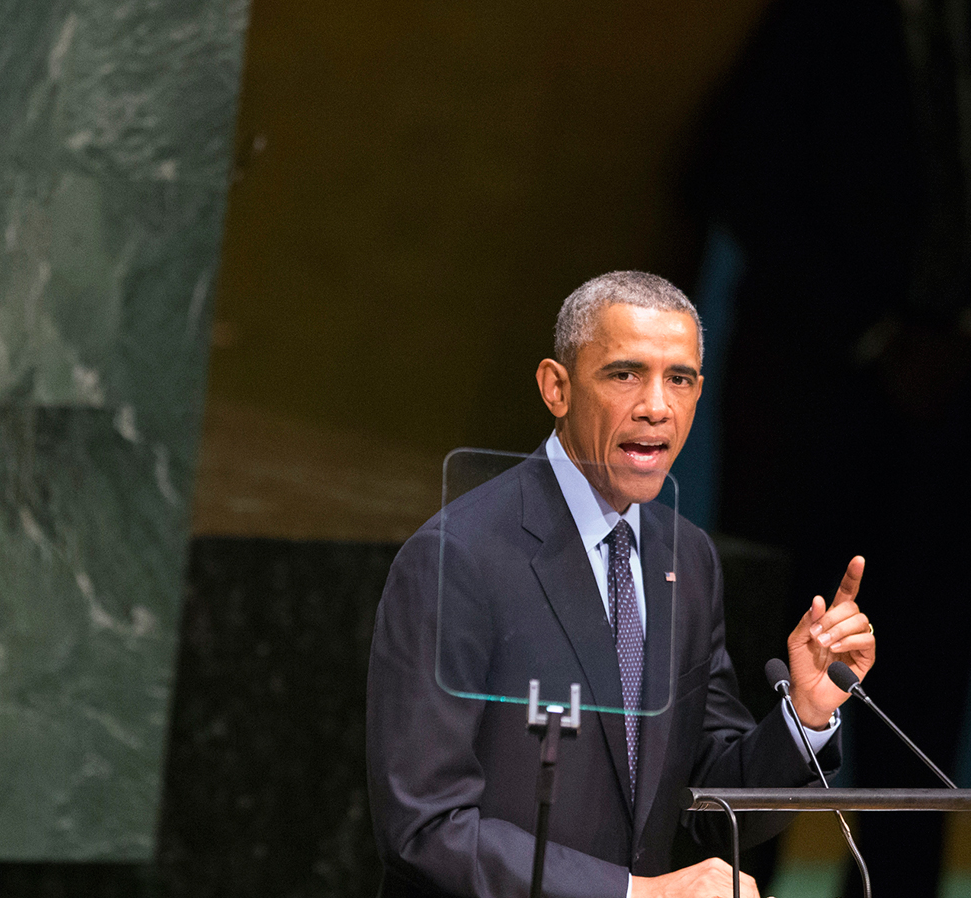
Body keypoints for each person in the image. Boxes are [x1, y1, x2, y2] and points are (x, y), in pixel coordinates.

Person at [366, 271, 876, 898]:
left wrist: (807, 712)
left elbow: (707, 800)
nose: (656, 405)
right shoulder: (458, 558)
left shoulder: (687, 557)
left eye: (679, 379)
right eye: (625, 374)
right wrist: (635, 893)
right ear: (557, 388)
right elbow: (425, 826)